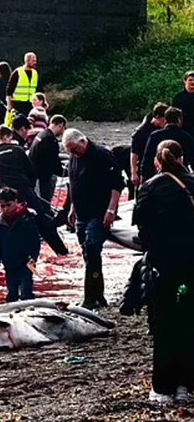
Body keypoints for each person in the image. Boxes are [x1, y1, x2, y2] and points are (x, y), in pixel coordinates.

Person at [133, 139, 194, 404]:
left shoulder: (150, 188)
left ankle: (162, 387)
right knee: (188, 322)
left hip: (163, 266)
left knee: (164, 326)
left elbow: (142, 231)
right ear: (182, 158)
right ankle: (185, 384)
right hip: (191, 266)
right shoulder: (192, 185)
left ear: (157, 162)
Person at [0, 126, 69, 255]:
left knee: (4, 226)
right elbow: (31, 171)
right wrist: (29, 188)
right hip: (24, 190)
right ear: (8, 137)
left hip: (4, 195)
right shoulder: (18, 150)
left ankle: (2, 254)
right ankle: (62, 252)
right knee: (43, 222)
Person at [64, 129, 124, 309]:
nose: (74, 153)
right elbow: (73, 183)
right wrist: (72, 207)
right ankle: (98, 294)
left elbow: (117, 184)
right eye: (71, 151)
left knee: (92, 248)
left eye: (75, 149)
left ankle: (90, 297)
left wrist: (111, 209)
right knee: (89, 255)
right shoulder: (73, 158)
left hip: (99, 211)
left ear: (83, 141)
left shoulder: (101, 155)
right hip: (81, 212)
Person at [0, 187, 40, 302]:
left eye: (9, 205)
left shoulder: (27, 218)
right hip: (9, 265)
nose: (6, 209)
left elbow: (34, 240)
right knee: (11, 294)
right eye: (2, 206)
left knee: (26, 293)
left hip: (26, 263)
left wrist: (33, 257)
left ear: (16, 202)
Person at [141, 107, 194, 182]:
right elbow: (192, 158)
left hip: (159, 176)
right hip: (181, 177)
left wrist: (143, 178)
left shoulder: (155, 135)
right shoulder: (186, 136)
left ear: (165, 119)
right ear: (179, 119)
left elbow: (147, 158)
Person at [28, 114, 66, 202]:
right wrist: (63, 172)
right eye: (63, 128)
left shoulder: (42, 134)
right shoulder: (50, 139)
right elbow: (53, 161)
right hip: (42, 176)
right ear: (60, 125)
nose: (62, 131)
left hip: (34, 172)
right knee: (44, 200)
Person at [131, 103, 167, 188]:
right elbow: (134, 153)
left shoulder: (163, 129)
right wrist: (133, 172)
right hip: (144, 166)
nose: (165, 122)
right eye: (163, 119)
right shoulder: (141, 132)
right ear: (157, 117)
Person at [6, 52, 40, 118]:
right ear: (27, 60)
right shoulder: (17, 72)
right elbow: (9, 90)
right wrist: (9, 105)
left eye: (35, 60)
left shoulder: (35, 73)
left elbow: (39, 89)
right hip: (18, 103)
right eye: (33, 61)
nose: (35, 63)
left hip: (31, 103)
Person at [172, 71, 194, 137]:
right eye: (190, 80)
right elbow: (174, 115)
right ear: (185, 81)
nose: (193, 82)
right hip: (183, 130)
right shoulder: (178, 98)